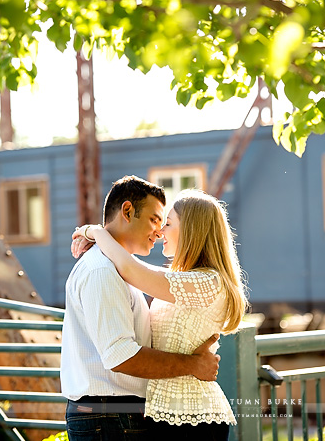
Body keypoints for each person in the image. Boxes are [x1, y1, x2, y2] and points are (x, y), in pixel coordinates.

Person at [72, 188, 248, 441]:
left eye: (167, 223)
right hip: (162, 415)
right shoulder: (186, 280)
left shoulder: (208, 282)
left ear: (191, 229)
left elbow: (132, 269)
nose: (160, 231)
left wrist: (97, 232)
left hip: (194, 416)